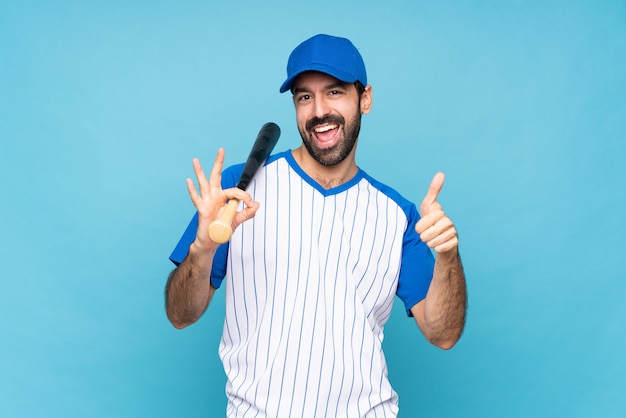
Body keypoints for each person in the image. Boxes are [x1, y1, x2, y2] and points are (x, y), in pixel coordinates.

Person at [166, 33, 467, 417]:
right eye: (304, 97)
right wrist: (202, 249)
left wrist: (448, 257)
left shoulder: (397, 214)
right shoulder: (235, 192)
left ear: (366, 99)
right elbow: (181, 315)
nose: (319, 110)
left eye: (335, 92)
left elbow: (442, 334)